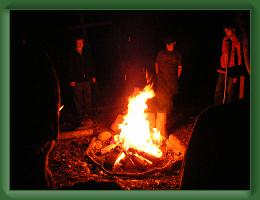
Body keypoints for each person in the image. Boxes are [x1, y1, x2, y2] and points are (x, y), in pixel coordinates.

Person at [154, 36, 183, 137]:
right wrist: (158, 74)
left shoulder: (177, 54)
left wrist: (175, 78)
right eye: (167, 44)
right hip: (161, 81)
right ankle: (160, 128)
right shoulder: (161, 53)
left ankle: (164, 123)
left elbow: (180, 67)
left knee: (168, 101)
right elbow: (156, 64)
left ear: (174, 44)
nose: (169, 46)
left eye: (170, 44)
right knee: (161, 100)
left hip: (172, 82)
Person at [68, 35, 96, 125]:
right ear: (76, 43)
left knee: (88, 98)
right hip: (77, 81)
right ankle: (80, 118)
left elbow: (90, 63)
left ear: (83, 43)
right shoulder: (72, 53)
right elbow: (70, 67)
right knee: (78, 100)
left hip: (87, 79)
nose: (80, 44)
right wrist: (71, 79)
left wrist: (93, 75)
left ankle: (88, 116)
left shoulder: (86, 52)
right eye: (78, 42)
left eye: (81, 42)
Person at [214, 24, 243, 105]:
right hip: (223, 68)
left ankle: (227, 111)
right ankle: (216, 108)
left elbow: (240, 57)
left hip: (232, 69)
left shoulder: (237, 41)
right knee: (218, 90)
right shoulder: (225, 39)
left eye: (228, 30)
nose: (226, 32)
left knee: (229, 92)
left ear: (233, 29)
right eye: (225, 31)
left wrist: (237, 74)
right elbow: (223, 53)